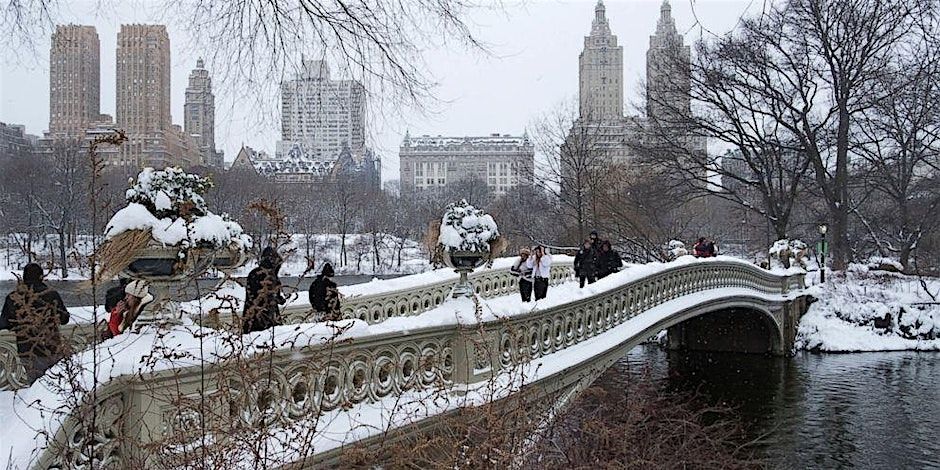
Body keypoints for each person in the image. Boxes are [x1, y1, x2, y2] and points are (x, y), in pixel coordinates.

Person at [0, 263, 70, 383]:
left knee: (35, 386)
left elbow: (4, 323)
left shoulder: (13, 297)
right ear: (41, 276)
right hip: (51, 347)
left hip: (27, 350)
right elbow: (64, 319)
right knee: (56, 386)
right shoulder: (51, 294)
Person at [243, 247, 286, 333]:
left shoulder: (253, 273)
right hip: (266, 317)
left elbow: (252, 294)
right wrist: (279, 299)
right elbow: (269, 296)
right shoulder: (270, 276)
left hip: (252, 315)